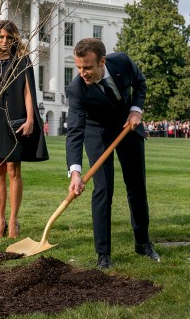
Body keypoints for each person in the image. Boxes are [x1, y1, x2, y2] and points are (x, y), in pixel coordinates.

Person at [66, 38, 160, 270]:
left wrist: (136, 109)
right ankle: (103, 254)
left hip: (129, 127)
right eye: (78, 67)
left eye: (87, 67)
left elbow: (140, 83)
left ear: (102, 61)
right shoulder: (76, 89)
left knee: (136, 186)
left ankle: (142, 243)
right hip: (97, 133)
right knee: (103, 189)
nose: (82, 73)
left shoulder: (123, 62)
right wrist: (75, 172)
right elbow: (75, 131)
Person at [0, 20, 48, 239]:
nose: (4, 41)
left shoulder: (22, 61)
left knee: (13, 169)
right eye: (0, 37)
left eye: (9, 37)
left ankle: (13, 220)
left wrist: (30, 119)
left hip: (16, 118)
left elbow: (29, 92)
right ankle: (0, 222)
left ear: (15, 39)